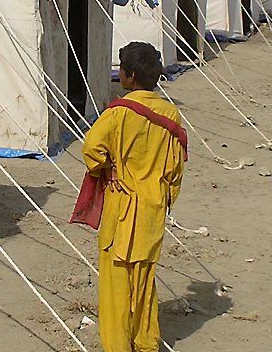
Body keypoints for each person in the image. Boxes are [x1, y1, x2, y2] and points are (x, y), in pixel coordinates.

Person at [82, 41, 185, 352]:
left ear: (127, 76)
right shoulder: (171, 114)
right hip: (153, 208)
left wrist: (109, 168)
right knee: (144, 279)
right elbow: (175, 171)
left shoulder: (118, 113)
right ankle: (146, 341)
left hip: (122, 206)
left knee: (116, 284)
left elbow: (91, 149)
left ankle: (118, 346)